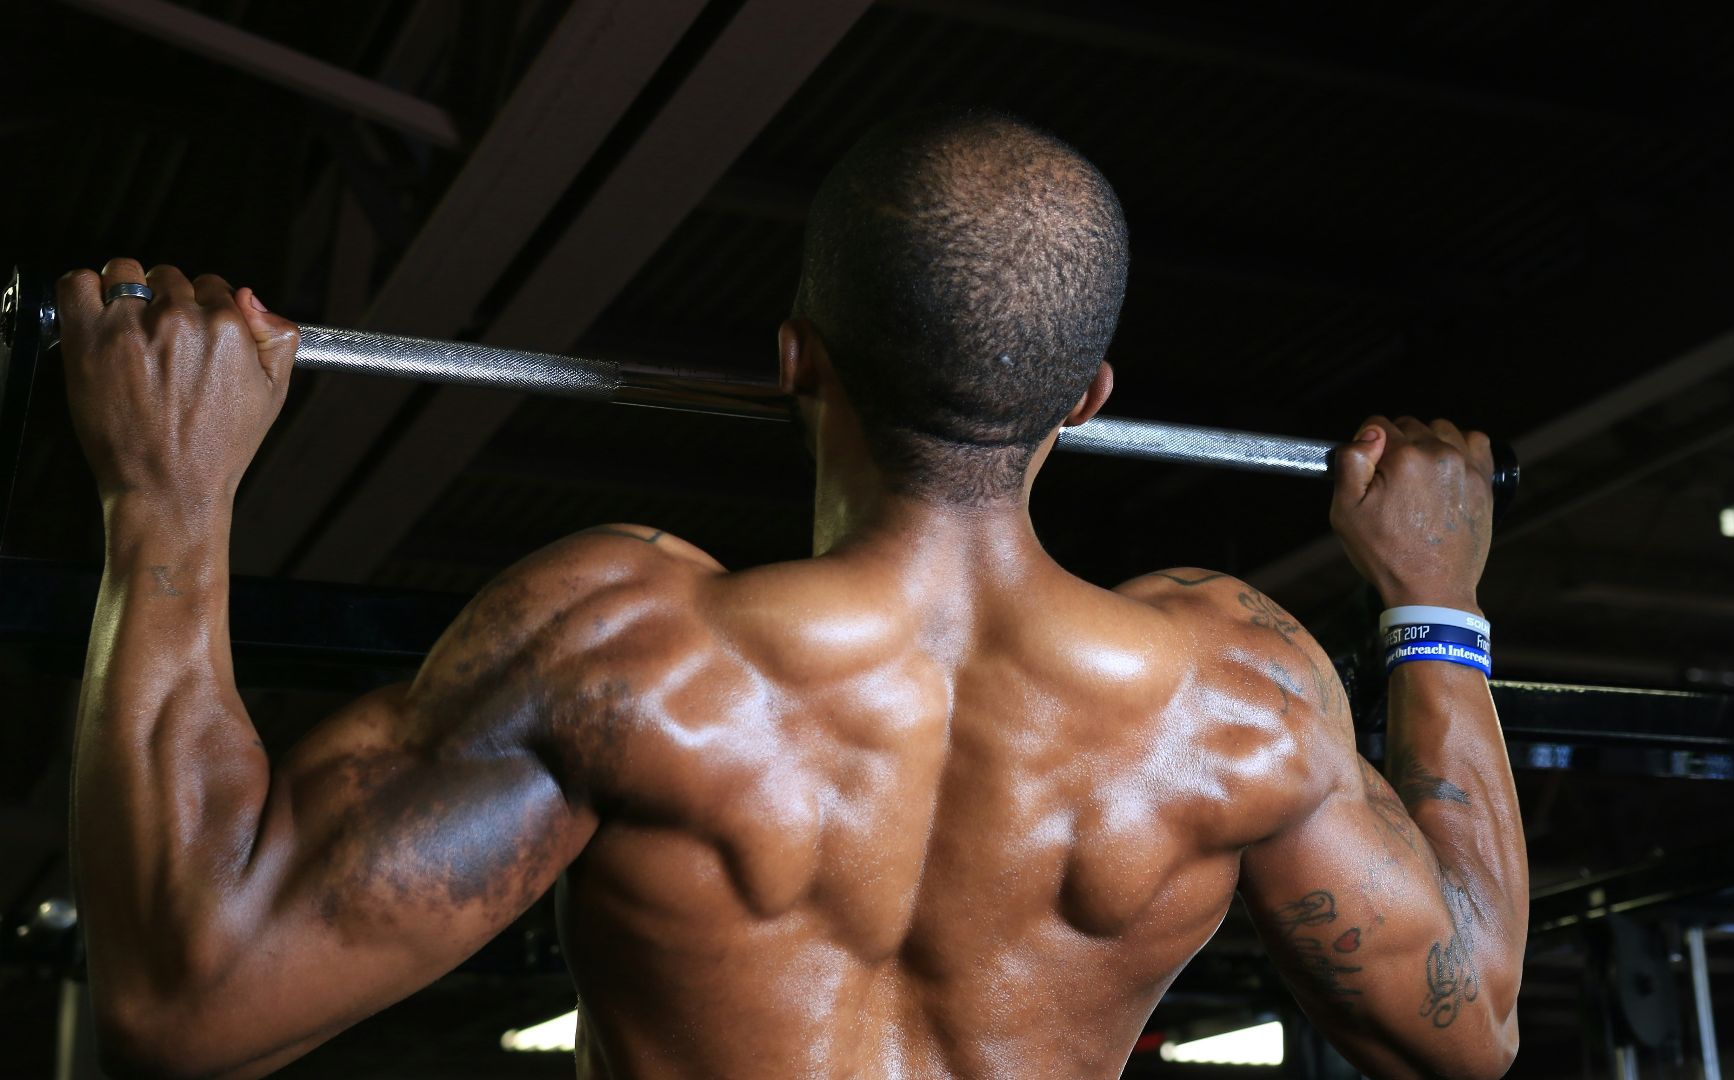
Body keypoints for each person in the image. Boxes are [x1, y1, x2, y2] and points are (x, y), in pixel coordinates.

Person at [60, 111, 1525, 1079]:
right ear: (1087, 396)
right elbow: (1473, 1023)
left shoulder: (629, 651)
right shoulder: (1239, 700)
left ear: (795, 358)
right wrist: (1432, 599)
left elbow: (185, 1002)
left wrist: (167, 495)